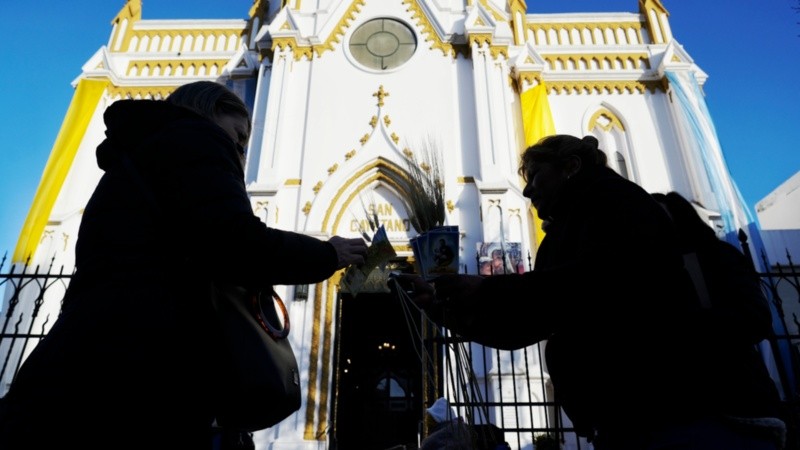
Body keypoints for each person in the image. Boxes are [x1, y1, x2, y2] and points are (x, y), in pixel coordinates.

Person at [0, 81, 368, 449]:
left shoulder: (136, 157)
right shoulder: (197, 142)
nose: (239, 150)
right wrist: (328, 254)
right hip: (145, 364)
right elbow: (235, 242)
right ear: (208, 112)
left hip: (90, 351)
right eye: (238, 136)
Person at [405, 135, 785, 449]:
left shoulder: (616, 202)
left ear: (570, 166)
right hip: (623, 421)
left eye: (536, 175)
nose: (527, 189)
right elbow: (531, 320)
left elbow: (599, 280)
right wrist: (448, 312)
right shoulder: (561, 235)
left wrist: (487, 289)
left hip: (681, 413)